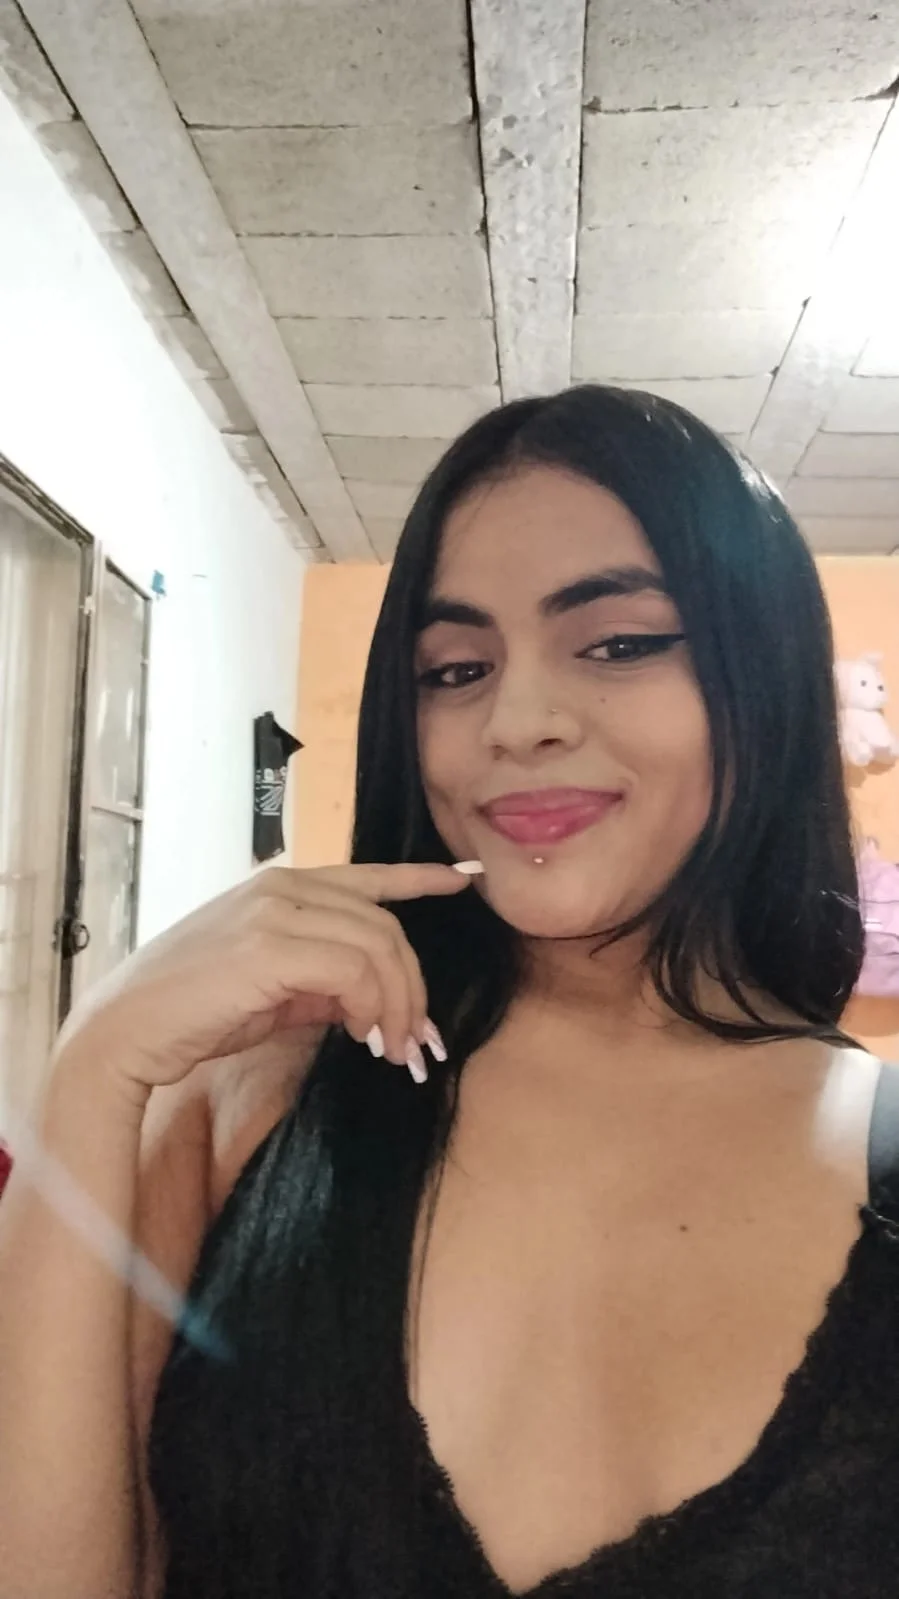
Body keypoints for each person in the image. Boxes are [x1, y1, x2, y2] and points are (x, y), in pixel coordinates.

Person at [1, 384, 895, 1599]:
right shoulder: (245, 1103)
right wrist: (93, 1063)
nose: (514, 722)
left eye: (619, 644)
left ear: (766, 676)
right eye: (456, 668)